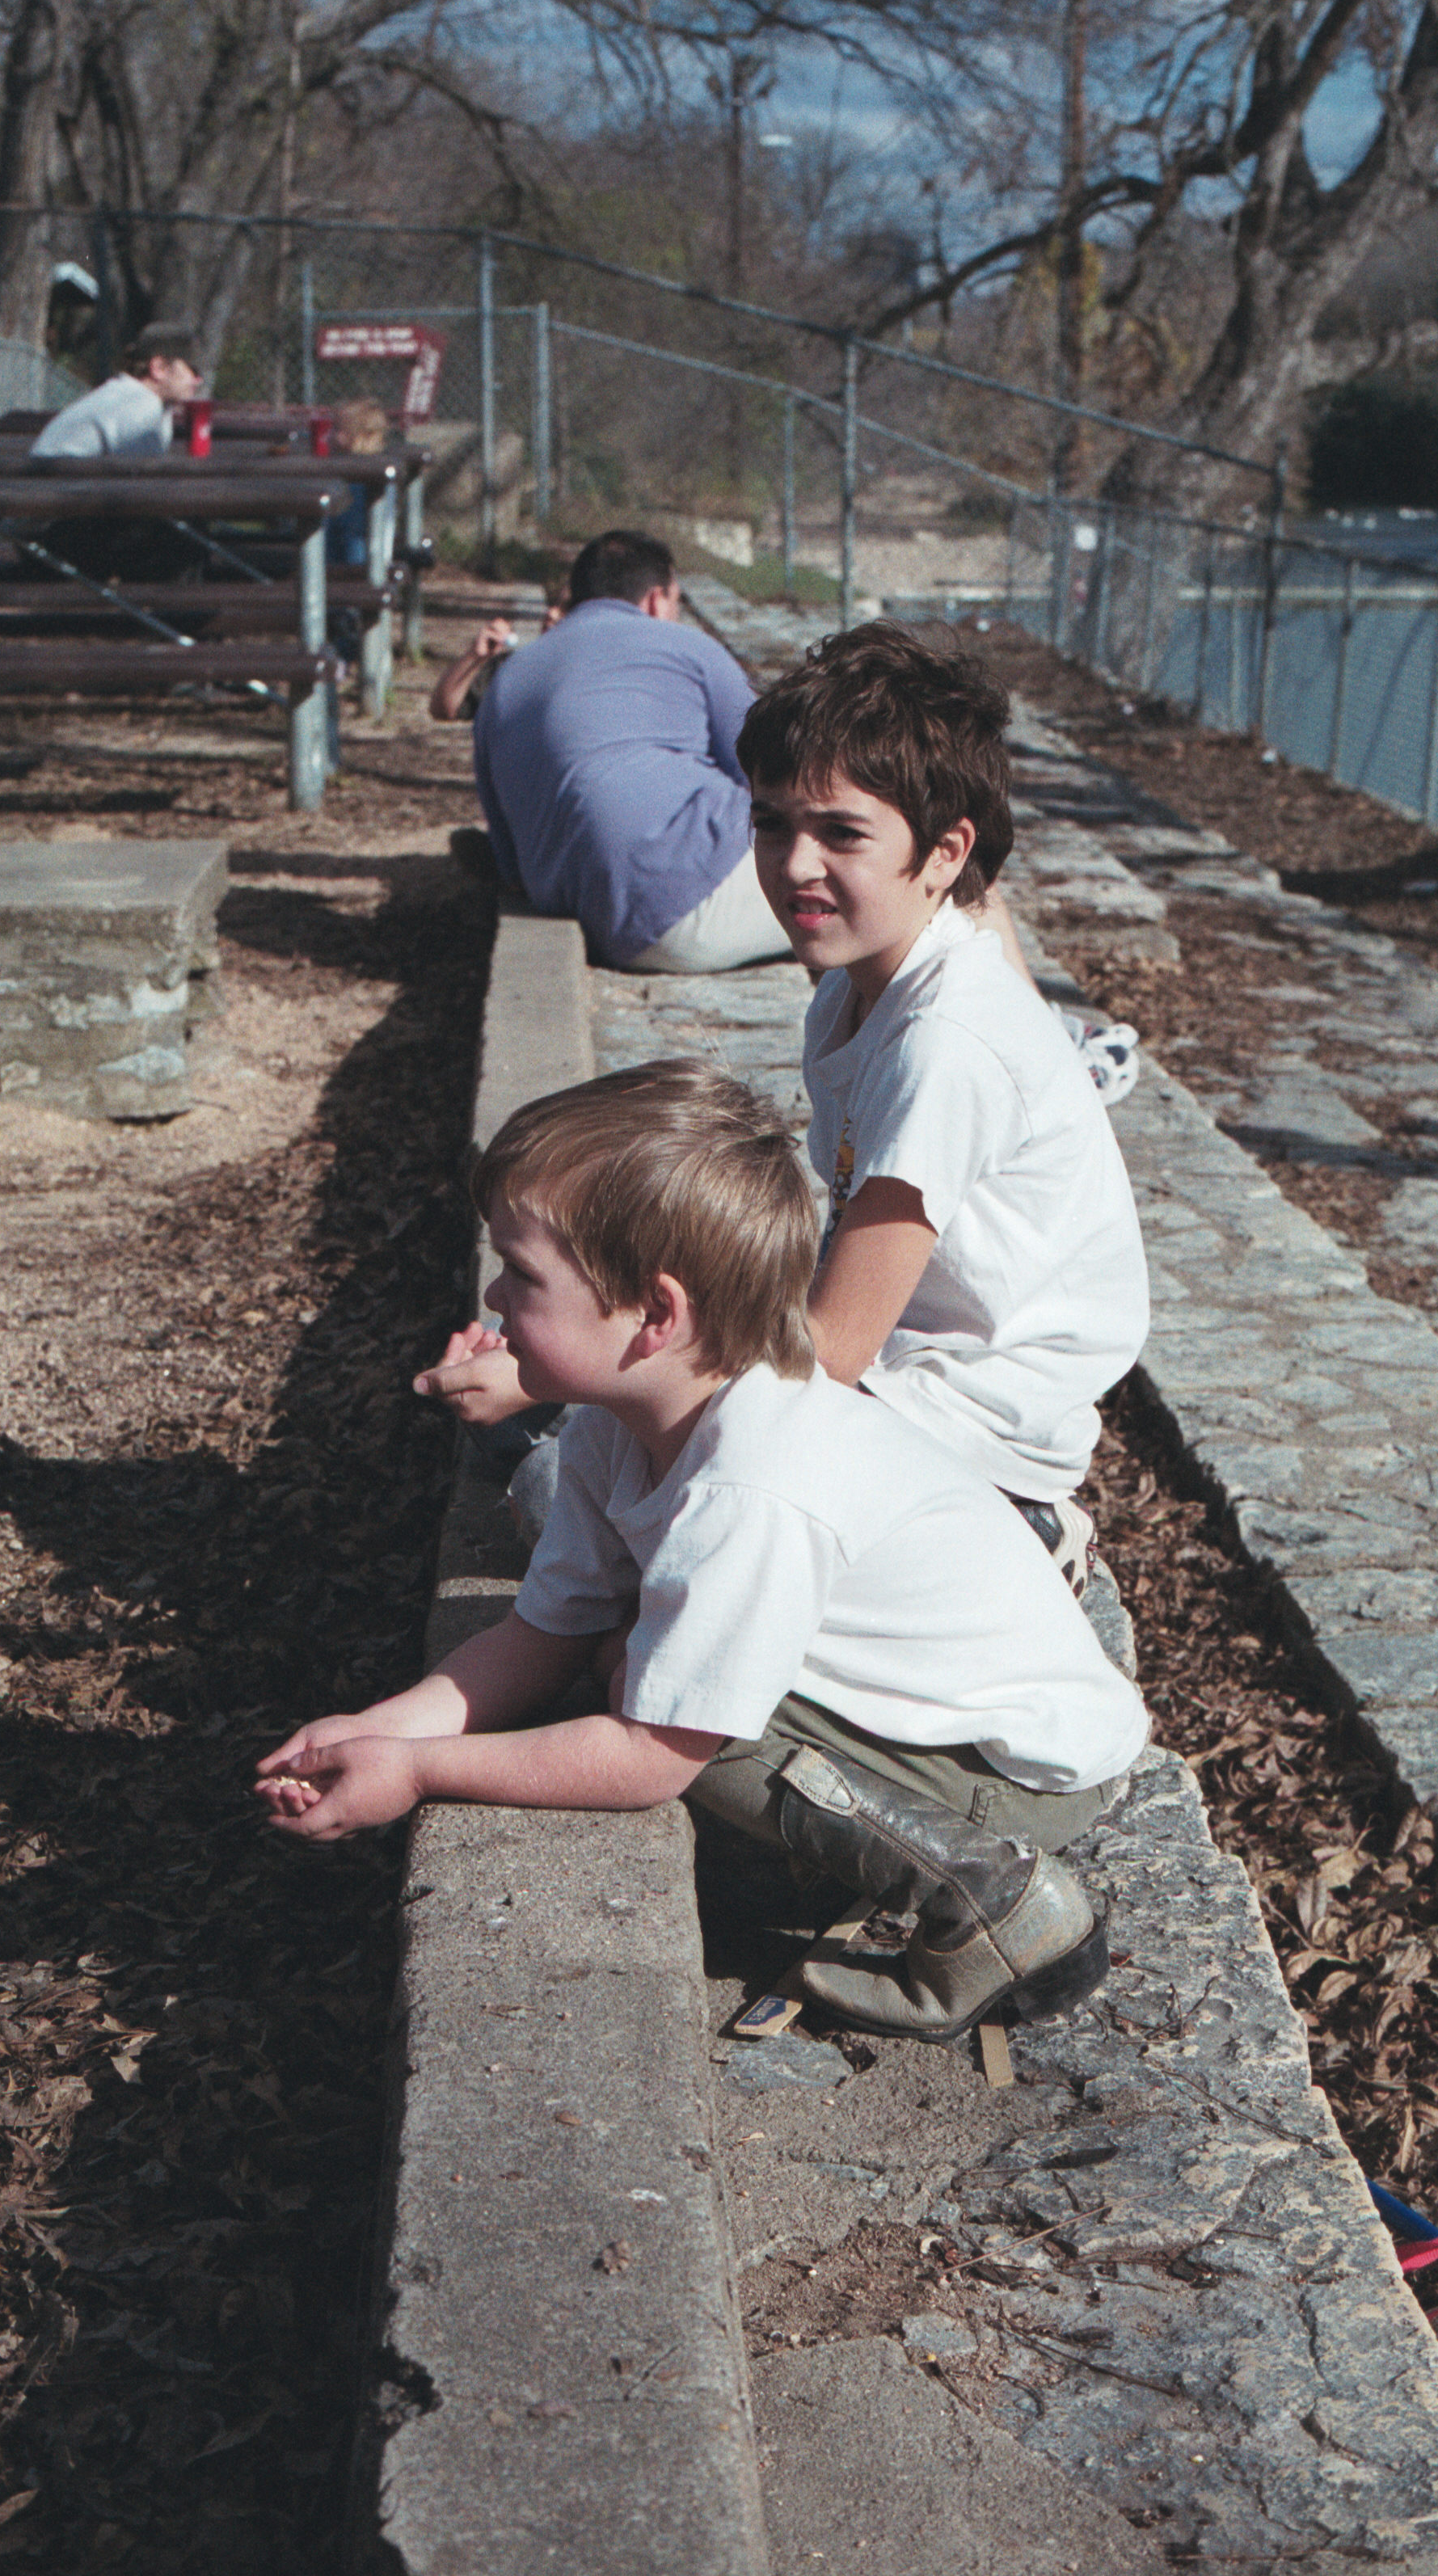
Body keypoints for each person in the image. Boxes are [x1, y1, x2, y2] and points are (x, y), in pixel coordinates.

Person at [257, 1063, 1149, 2040]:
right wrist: (377, 1735)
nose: (495, 1296)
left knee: (695, 1727)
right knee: (628, 1663)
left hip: (1016, 1773)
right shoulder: (612, 1424)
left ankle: (998, 1903)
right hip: (940, 1719)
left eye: (522, 1271)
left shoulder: (753, 1482)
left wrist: (426, 1774)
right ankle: (824, 1855)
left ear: (655, 1315)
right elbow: (540, 1632)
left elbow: (650, 1759)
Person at [739, 622, 1151, 1583]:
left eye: (839, 831)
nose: (795, 863)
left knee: (592, 1476)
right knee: (591, 1445)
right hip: (905, 1377)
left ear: (941, 852)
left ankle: (1013, 1535)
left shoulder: (945, 1041)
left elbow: (833, 1346)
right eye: (771, 822)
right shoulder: (859, 987)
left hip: (967, 1422)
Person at [466, 528, 791, 974]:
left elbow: (510, 864)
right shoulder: (690, 648)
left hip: (592, 923)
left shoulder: (505, 681)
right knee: (887, 879)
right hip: (691, 907)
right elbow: (773, 772)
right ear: (657, 600)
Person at [30, 325, 204, 460]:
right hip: (55, 500)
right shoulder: (143, 408)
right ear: (159, 368)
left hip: (37, 494)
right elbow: (139, 488)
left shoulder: (124, 395)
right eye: (193, 371)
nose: (198, 380)